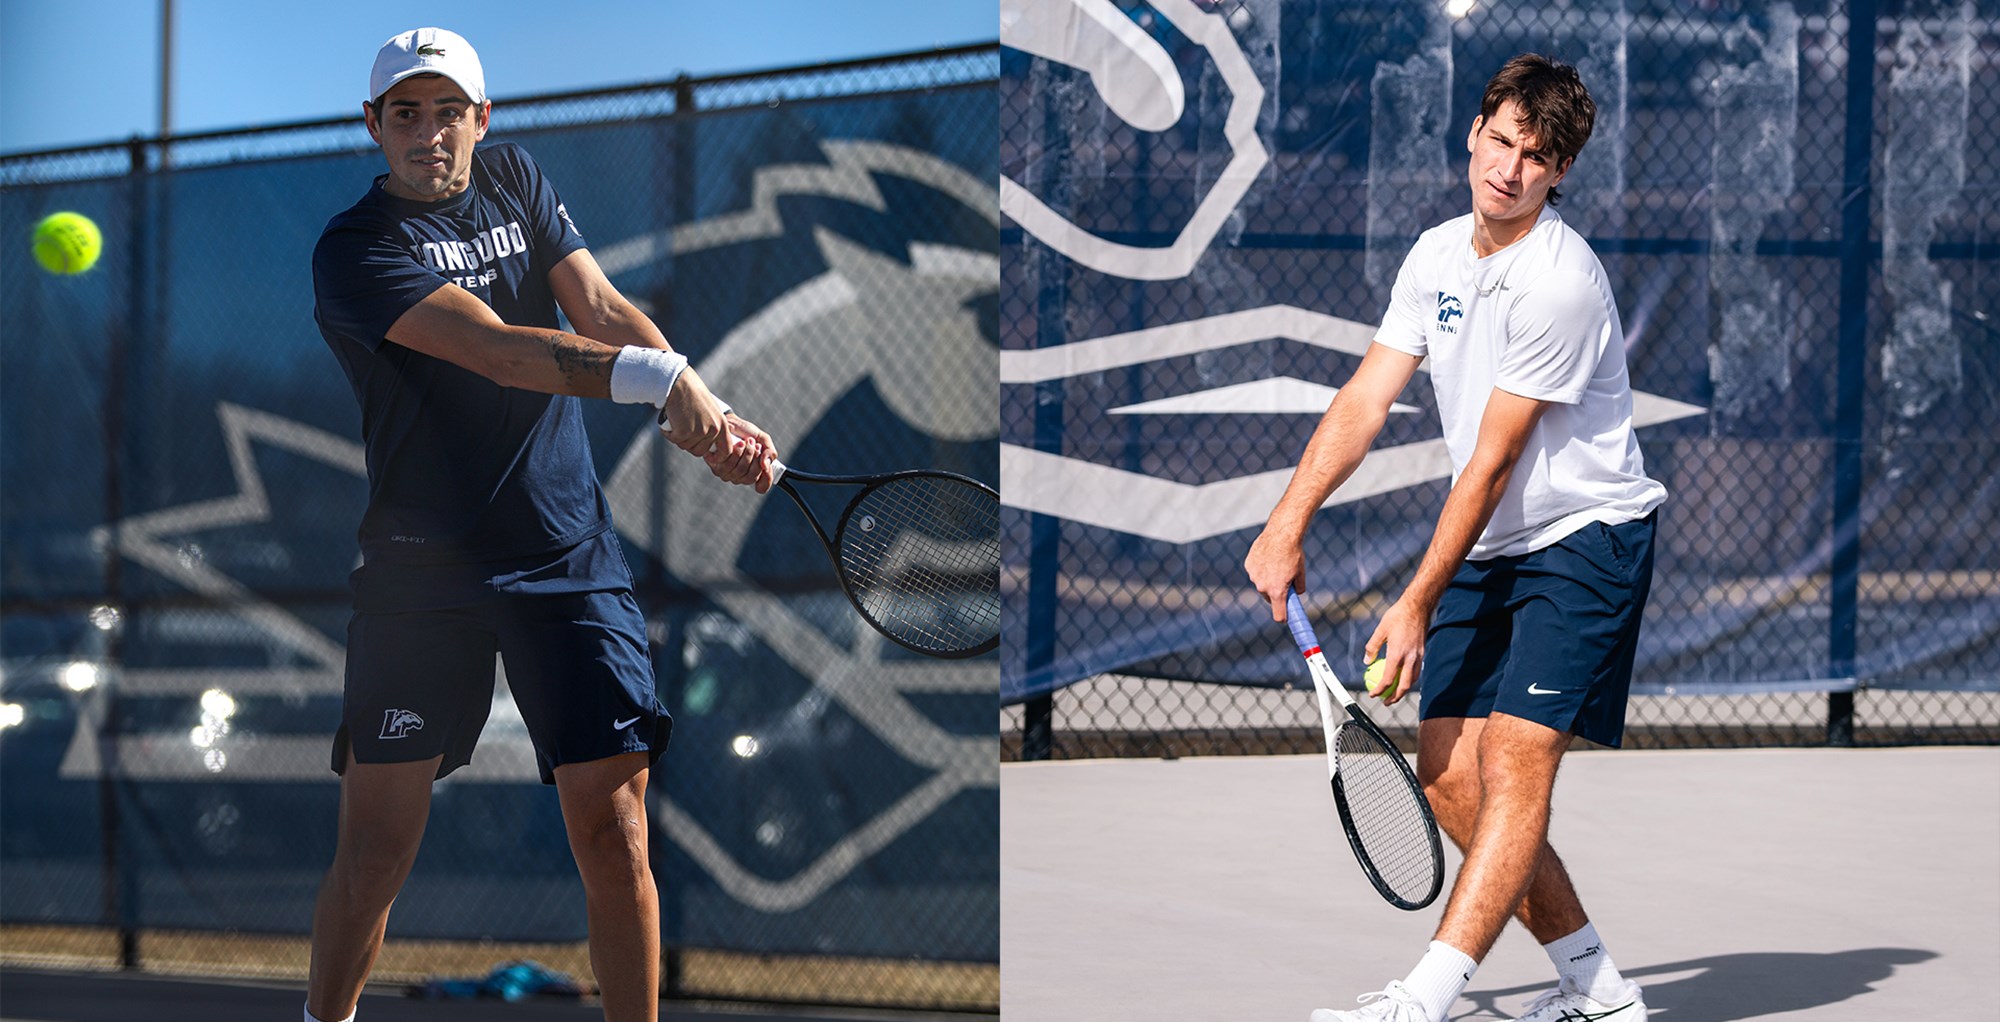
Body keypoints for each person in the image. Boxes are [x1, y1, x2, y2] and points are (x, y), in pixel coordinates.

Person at [305, 28, 775, 1022]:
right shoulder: (353, 251)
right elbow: (498, 351)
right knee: (377, 848)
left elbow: (599, 305)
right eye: (404, 113)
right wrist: (659, 383)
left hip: (566, 555)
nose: (426, 132)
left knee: (616, 835)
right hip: (417, 578)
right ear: (373, 128)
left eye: (446, 111)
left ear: (483, 118)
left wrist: (710, 410)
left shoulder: (515, 178)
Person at [1244, 54, 1665, 1022]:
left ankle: (1421, 998)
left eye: (1536, 156)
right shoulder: (1433, 256)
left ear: (1558, 172)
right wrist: (1286, 517)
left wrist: (1414, 598)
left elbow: (1486, 465)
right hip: (1495, 543)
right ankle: (1600, 993)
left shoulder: (1556, 281)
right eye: (1502, 140)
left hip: (1585, 534)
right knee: (1444, 781)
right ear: (1471, 133)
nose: (1510, 168)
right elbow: (1362, 398)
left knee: (1513, 761)